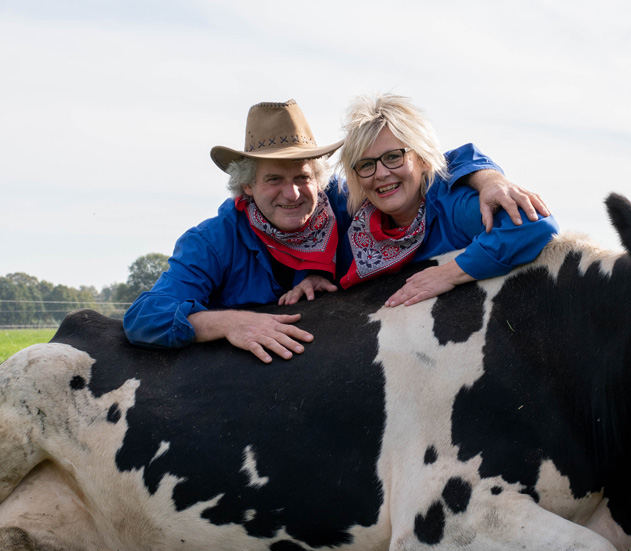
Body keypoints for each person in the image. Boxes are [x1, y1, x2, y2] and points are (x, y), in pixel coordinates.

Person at [124, 99, 549, 362]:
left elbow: (435, 162)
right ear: (247, 186)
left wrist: (487, 177)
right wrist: (230, 323)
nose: (292, 193)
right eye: (274, 179)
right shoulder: (213, 241)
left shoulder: (348, 204)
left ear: (322, 179)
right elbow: (145, 317)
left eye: (303, 177)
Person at [280, 93, 559, 308]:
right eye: (366, 164)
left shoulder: (451, 204)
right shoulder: (356, 218)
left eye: (393, 157)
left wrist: (450, 273)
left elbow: (535, 226)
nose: (381, 174)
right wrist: (315, 273)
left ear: (422, 159)